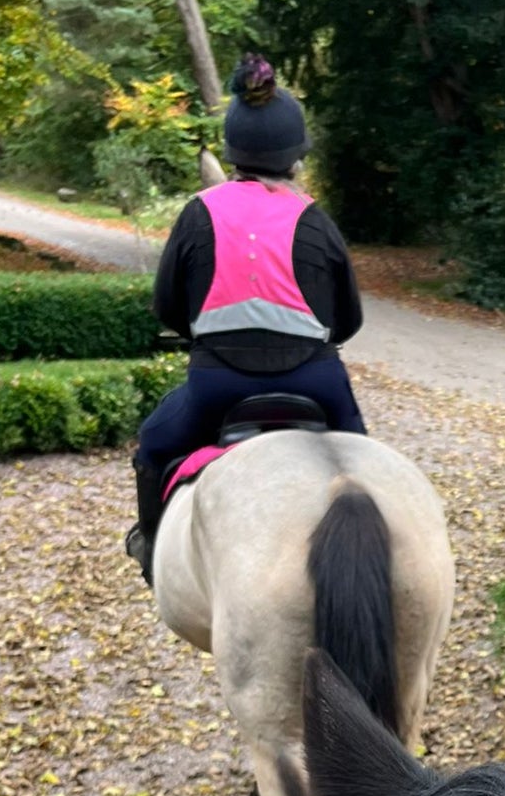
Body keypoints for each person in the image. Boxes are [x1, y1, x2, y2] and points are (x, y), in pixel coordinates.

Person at [125, 54, 364, 583]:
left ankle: (150, 550)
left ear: (233, 152)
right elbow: (348, 321)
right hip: (316, 382)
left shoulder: (199, 212)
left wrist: (208, 333)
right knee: (366, 466)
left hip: (218, 386)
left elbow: (167, 307)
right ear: (296, 156)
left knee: (154, 444)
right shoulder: (316, 220)